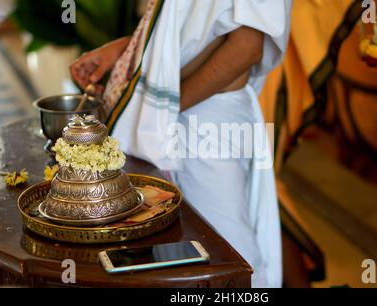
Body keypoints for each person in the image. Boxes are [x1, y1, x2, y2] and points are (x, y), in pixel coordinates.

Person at [70, 0, 292, 288]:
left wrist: (161, 110)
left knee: (229, 256)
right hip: (182, 115)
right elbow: (195, 28)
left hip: (208, 121)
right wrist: (128, 49)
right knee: (185, 248)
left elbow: (246, 47)